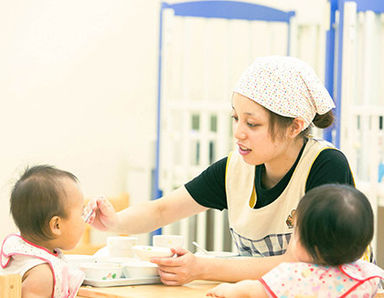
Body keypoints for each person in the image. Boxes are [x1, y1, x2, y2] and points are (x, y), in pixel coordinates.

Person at [90, 56, 357, 285]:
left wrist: (202, 268)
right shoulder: (235, 169)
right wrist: (116, 222)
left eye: (252, 124)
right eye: (236, 118)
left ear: (294, 127)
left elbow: (298, 263)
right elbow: (162, 210)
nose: (238, 133)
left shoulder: (325, 166)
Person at [206, 184, 384, 297]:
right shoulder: (368, 275)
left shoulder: (292, 275)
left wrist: (226, 291)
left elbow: (251, 290)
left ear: (308, 245)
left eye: (295, 230)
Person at [1, 165, 86, 297]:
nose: (85, 219)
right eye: (81, 213)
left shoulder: (18, 249)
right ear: (56, 225)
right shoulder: (42, 274)